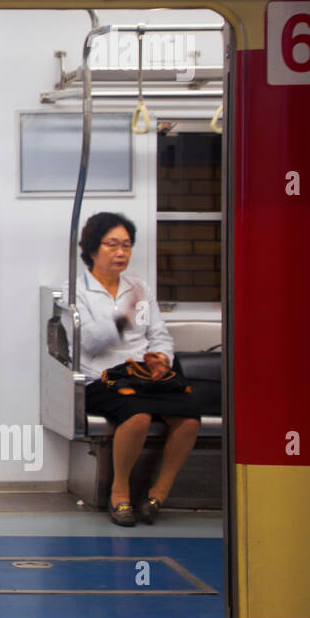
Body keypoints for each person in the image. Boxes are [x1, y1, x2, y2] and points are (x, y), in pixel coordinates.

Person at [70, 212, 202, 527]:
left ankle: (159, 493)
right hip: (102, 377)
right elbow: (89, 342)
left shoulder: (140, 287)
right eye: (112, 245)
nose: (120, 253)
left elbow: (159, 335)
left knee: (190, 415)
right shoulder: (77, 291)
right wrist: (124, 317)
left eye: (126, 246)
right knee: (137, 416)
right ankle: (120, 491)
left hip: (143, 376)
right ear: (92, 250)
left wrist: (161, 359)